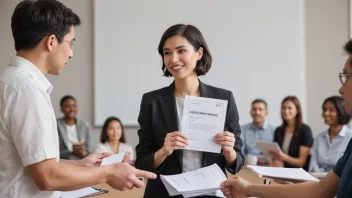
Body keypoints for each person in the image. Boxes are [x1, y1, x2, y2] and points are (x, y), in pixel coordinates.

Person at [0, 1, 155, 197]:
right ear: (51, 42)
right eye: (70, 42)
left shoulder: (9, 79)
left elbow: (34, 163)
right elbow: (47, 177)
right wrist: (108, 173)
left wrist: (80, 165)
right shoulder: (27, 89)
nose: (71, 53)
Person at [221, 39, 352, 198]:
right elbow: (321, 190)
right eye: (283, 107)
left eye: (346, 77)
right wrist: (248, 188)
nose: (340, 88)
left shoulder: (305, 130)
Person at [135, 24, 244, 198]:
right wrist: (163, 151)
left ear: (199, 53)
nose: (173, 59)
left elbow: (237, 164)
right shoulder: (152, 101)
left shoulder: (224, 98)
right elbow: (141, 163)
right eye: (167, 53)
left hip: (211, 193)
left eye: (181, 51)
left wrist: (229, 150)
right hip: (164, 193)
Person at [309, 96, 352, 173]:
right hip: (318, 179)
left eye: (331, 110)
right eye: (325, 110)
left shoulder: (350, 137)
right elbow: (313, 165)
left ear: (341, 112)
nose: (326, 113)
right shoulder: (319, 138)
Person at [270, 96, 313, 171]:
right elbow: (277, 156)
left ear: (297, 110)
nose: (286, 111)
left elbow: (301, 162)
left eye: (290, 108)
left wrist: (284, 157)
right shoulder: (278, 130)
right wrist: (276, 160)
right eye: (284, 108)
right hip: (281, 171)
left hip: (299, 173)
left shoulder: (305, 130)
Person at [241, 99, 275, 165]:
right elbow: (239, 153)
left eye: (260, 109)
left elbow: (276, 155)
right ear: (250, 112)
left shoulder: (274, 130)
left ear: (266, 113)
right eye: (254, 109)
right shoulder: (242, 130)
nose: (257, 112)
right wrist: (256, 160)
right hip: (246, 167)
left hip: (268, 168)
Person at [57, 95, 92, 160]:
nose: (71, 109)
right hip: (64, 162)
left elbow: (89, 150)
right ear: (61, 109)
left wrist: (83, 152)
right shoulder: (56, 125)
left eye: (74, 106)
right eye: (67, 106)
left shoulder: (84, 125)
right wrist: (73, 152)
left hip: (82, 160)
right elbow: (55, 151)